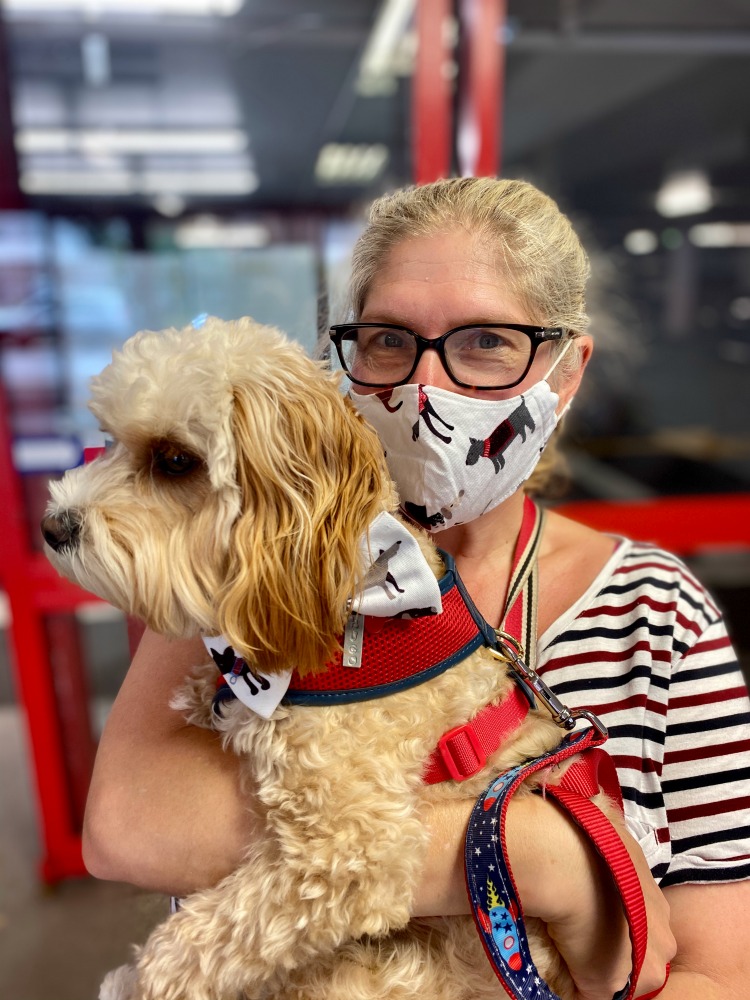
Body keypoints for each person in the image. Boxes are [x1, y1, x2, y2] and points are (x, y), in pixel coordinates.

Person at [83, 177, 750, 1000]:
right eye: (389, 339)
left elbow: (716, 977)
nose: (427, 388)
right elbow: (127, 829)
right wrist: (538, 856)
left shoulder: (656, 613)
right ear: (346, 353)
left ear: (566, 370)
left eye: (487, 343)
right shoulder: (250, 550)